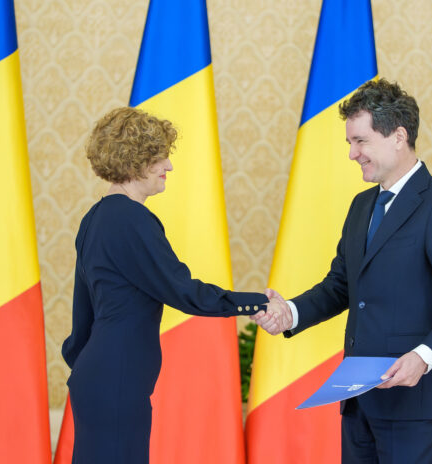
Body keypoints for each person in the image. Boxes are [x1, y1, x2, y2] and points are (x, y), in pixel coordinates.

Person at [253, 79, 432, 464]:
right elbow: (340, 286)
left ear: (398, 137)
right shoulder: (361, 205)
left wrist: (423, 357)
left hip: (414, 402)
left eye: (360, 141)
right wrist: (289, 313)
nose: (352, 154)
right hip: (358, 398)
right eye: (350, 142)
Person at [61, 107, 277, 464]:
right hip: (118, 381)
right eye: (160, 157)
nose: (169, 166)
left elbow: (82, 313)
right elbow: (183, 291)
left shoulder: (94, 218)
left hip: (96, 378)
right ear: (136, 159)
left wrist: (87, 366)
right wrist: (257, 302)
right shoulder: (132, 219)